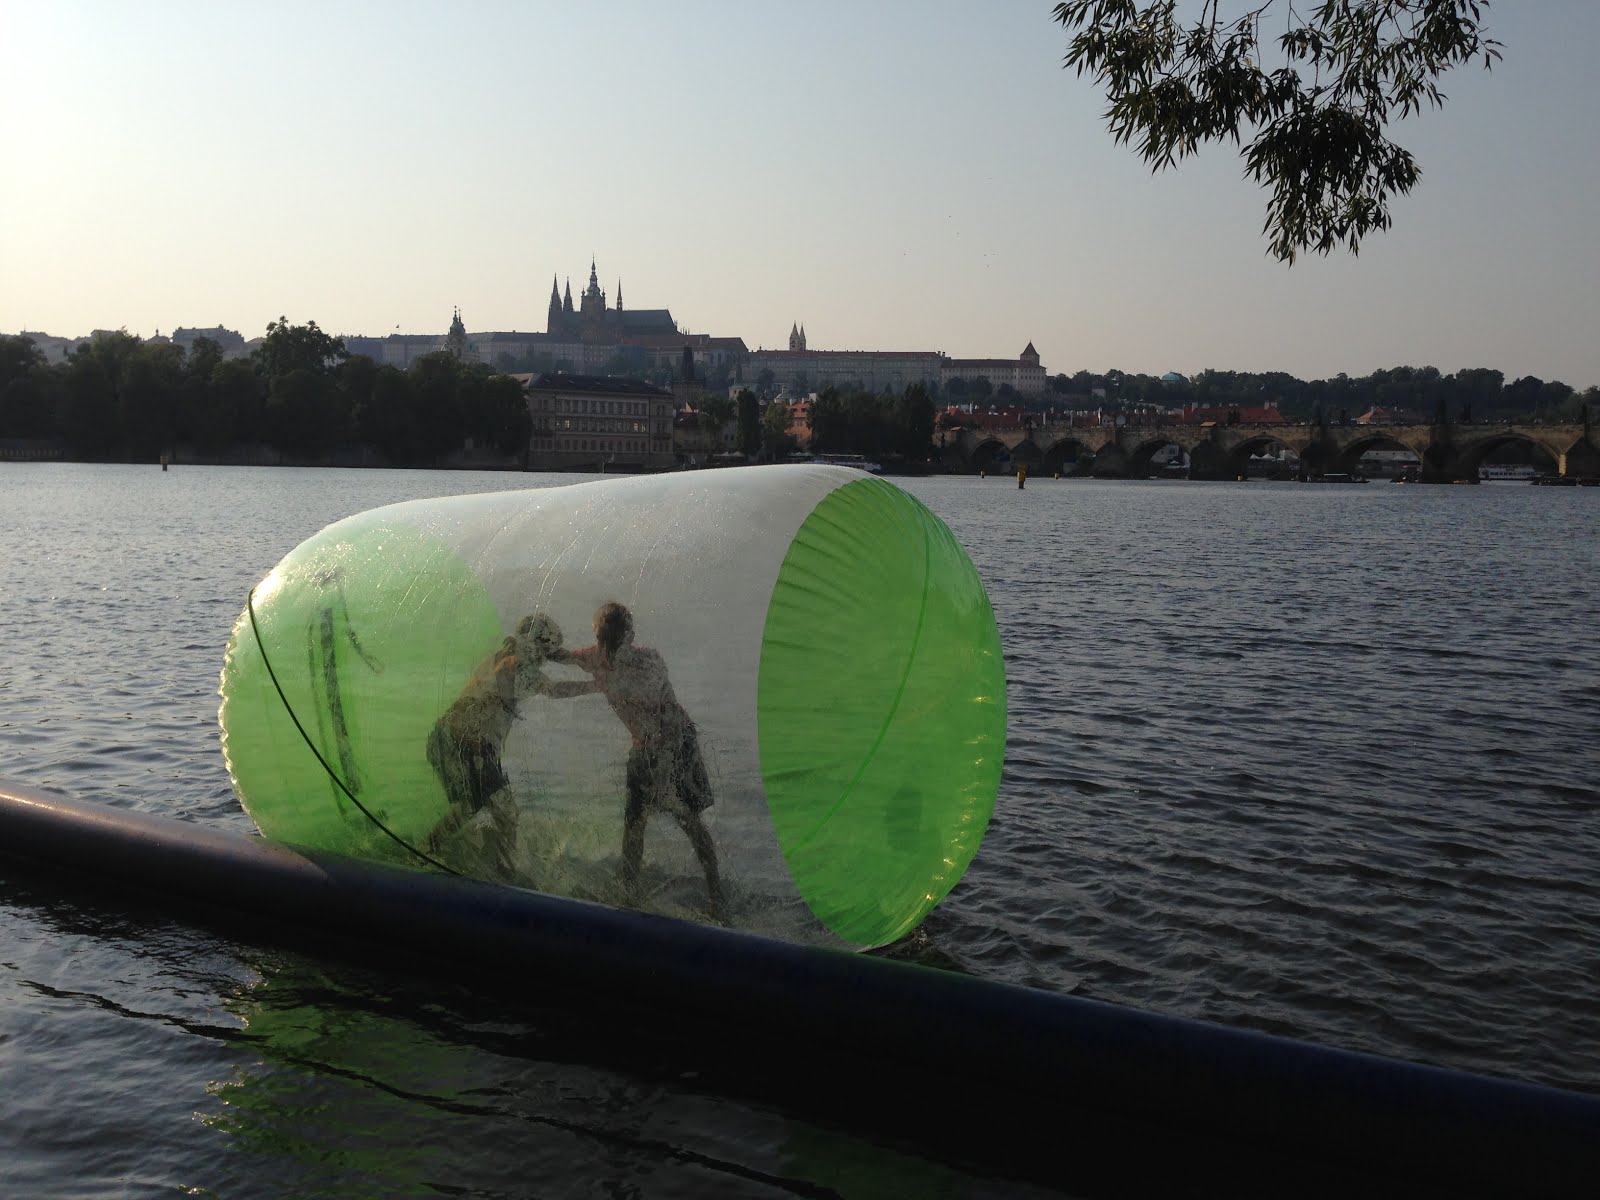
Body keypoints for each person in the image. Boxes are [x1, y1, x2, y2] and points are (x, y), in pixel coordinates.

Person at [552, 601, 724, 917]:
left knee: (688, 819)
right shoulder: (597, 657)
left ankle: (717, 898)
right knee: (634, 823)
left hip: (677, 743)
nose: (608, 649)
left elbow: (669, 719)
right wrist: (538, 650)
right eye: (604, 640)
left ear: (629, 636)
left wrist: (666, 768)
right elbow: (567, 658)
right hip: (643, 746)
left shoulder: (649, 665)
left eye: (614, 640)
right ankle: (629, 894)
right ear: (600, 635)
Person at [425, 613, 589, 880]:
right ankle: (496, 872)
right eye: (547, 650)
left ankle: (464, 860)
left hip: (452, 743)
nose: (547, 657)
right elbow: (510, 671)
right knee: (498, 810)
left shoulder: (509, 656)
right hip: (462, 746)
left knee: (480, 809)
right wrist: (507, 699)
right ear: (536, 645)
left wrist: (593, 685)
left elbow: (554, 689)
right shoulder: (513, 662)